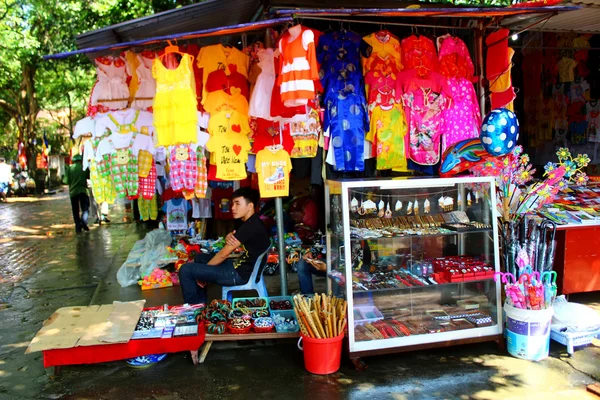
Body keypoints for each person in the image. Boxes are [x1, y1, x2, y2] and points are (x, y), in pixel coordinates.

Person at [179, 187, 270, 304]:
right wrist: (228, 237)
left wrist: (203, 275)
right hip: (239, 267)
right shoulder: (253, 222)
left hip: (237, 274)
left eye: (237, 204)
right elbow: (234, 240)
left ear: (250, 206)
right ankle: (200, 303)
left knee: (185, 270)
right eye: (233, 204)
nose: (232, 208)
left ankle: (193, 309)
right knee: (200, 258)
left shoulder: (250, 226)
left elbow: (223, 254)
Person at [297, 240, 371, 294]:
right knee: (303, 263)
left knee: (336, 295)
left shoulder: (356, 241)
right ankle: (308, 298)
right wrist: (311, 254)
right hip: (334, 265)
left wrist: (329, 269)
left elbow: (354, 275)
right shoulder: (332, 225)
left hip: (350, 274)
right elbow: (321, 245)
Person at [63, 155, 90, 232]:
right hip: (83, 190)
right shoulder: (84, 168)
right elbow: (89, 177)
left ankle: (78, 226)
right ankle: (84, 221)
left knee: (75, 210)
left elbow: (65, 181)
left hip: (73, 192)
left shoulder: (69, 169)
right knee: (85, 209)